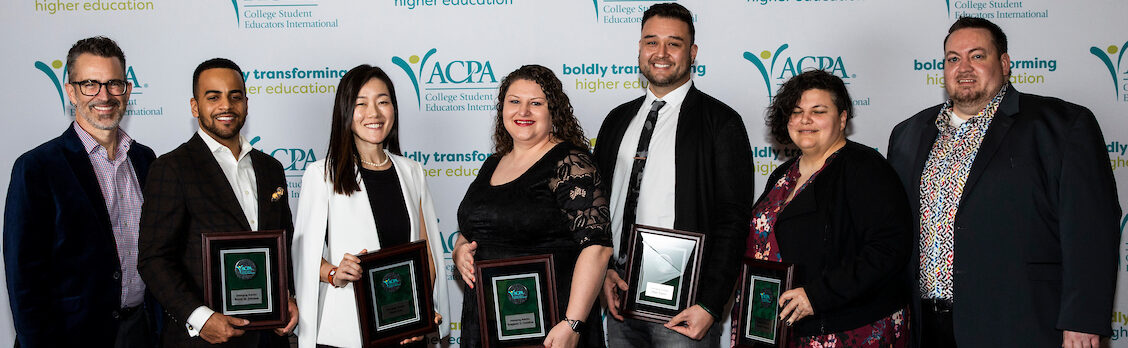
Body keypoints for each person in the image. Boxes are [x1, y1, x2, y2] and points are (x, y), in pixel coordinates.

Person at [886, 17, 1121, 347]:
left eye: (977, 56)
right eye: (953, 58)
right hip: (925, 328)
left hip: (1020, 323)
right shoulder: (907, 134)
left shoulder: (1062, 126)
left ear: (1005, 63)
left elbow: (1091, 231)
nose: (963, 67)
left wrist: (1082, 321)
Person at [592, 3, 754, 346]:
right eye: (651, 42)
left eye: (674, 43)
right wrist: (603, 271)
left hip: (687, 296)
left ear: (692, 52)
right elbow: (598, 207)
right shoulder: (616, 121)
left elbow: (733, 219)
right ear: (639, 48)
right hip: (619, 289)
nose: (661, 53)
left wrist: (711, 303)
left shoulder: (721, 123)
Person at [4, 36, 159, 348]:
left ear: (127, 90)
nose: (104, 95)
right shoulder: (36, 168)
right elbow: (25, 280)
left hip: (143, 331)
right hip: (71, 336)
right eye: (90, 84)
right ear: (70, 91)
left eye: (113, 83)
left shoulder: (146, 160)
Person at [138, 58, 299, 347]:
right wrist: (200, 317)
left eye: (235, 96)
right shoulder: (172, 168)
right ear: (194, 106)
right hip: (205, 340)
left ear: (246, 104)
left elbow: (283, 245)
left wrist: (287, 296)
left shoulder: (270, 168)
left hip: (269, 338)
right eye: (213, 97)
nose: (226, 106)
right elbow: (154, 259)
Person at [452, 64, 613, 348]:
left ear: (553, 111)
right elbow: (473, 227)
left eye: (535, 103)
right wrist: (459, 250)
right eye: (514, 102)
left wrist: (573, 323)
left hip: (551, 328)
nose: (523, 112)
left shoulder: (570, 163)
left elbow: (597, 247)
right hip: (488, 323)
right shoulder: (493, 163)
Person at [747, 70, 911, 347]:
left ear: (843, 118)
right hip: (783, 328)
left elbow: (890, 249)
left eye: (818, 111)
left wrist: (817, 295)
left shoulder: (865, 168)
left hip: (848, 330)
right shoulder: (782, 175)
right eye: (797, 111)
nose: (805, 120)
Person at [291, 64, 450, 348]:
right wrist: (333, 273)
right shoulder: (321, 175)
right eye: (361, 104)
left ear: (394, 109)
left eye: (383, 102)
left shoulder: (412, 171)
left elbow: (426, 254)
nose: (374, 113)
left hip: (405, 329)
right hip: (347, 332)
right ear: (345, 112)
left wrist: (422, 311)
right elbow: (304, 255)